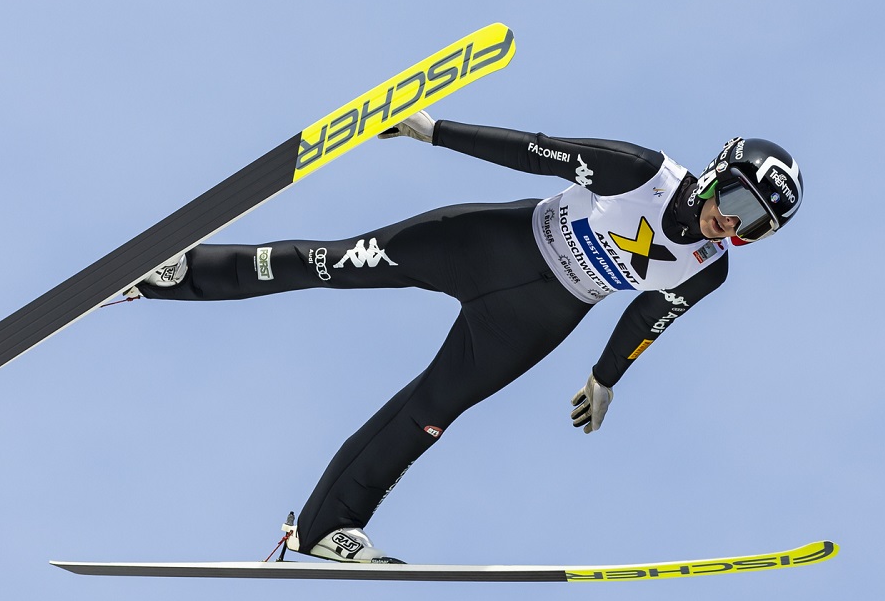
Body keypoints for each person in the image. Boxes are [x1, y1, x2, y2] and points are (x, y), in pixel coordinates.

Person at [136, 111, 804, 563]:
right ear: (720, 172)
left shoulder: (709, 270)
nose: (734, 227)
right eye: (740, 205)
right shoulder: (642, 172)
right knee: (332, 264)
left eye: (756, 229)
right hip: (487, 246)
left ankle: (324, 530)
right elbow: (534, 152)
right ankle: (170, 274)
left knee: (430, 415)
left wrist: (605, 378)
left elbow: (647, 320)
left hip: (536, 319)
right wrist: (436, 133)